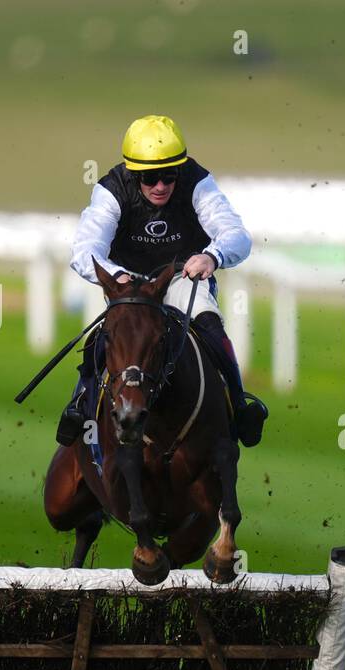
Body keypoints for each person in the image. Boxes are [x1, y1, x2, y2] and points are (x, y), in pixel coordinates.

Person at [59, 114, 266, 447]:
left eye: (169, 176)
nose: (160, 186)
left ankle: (239, 402)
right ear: (133, 172)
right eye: (150, 177)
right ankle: (79, 406)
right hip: (132, 286)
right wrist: (118, 277)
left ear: (179, 170)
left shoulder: (197, 182)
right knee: (106, 339)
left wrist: (212, 256)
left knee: (208, 317)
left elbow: (236, 235)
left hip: (183, 277)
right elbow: (85, 251)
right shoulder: (112, 190)